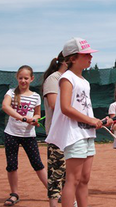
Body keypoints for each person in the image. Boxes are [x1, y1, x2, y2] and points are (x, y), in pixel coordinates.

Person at [45, 37, 111, 207]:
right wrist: (90, 120)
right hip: (74, 135)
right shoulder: (66, 78)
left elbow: (84, 109)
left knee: (84, 178)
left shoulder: (85, 81)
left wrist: (99, 121)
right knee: (73, 180)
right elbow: (65, 108)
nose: (90, 57)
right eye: (86, 54)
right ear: (73, 58)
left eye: (90, 54)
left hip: (87, 133)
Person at [2, 65, 48, 206]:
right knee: (12, 165)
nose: (23, 81)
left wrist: (34, 119)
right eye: (20, 78)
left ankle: (53, 192)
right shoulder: (10, 92)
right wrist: (23, 118)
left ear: (31, 79)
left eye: (26, 78)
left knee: (38, 164)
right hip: (11, 134)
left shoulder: (35, 97)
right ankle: (14, 194)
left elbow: (37, 114)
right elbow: (5, 106)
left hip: (29, 136)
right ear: (17, 78)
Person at [42, 51, 70, 207]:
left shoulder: (72, 80)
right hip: (58, 135)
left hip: (72, 135)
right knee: (56, 174)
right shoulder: (54, 79)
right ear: (66, 61)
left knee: (71, 175)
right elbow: (54, 105)